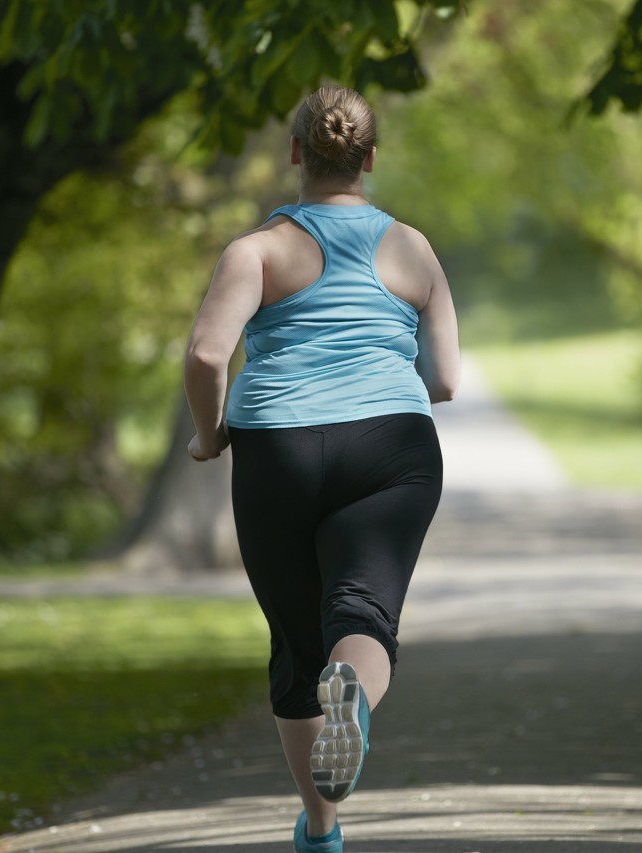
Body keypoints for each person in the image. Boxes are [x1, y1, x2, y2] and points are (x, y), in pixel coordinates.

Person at [181, 85, 460, 853]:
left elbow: (208, 353)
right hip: (392, 447)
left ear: (297, 152)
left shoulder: (257, 250)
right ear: (369, 159)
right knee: (362, 616)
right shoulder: (412, 247)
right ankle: (356, 705)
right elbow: (445, 380)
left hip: (279, 449)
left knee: (299, 647)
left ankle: (322, 830)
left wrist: (211, 438)